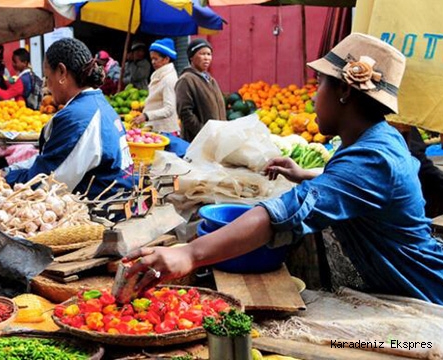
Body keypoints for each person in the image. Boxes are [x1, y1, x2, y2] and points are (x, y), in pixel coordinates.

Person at [126, 33, 443, 305]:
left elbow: (282, 213)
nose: (314, 96)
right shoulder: (375, 138)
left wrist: (190, 254)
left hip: (424, 293)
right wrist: (305, 174)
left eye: (319, 84)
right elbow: (358, 185)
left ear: (345, 91)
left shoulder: (373, 158)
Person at [4, 38, 133, 199]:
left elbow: (45, 183)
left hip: (103, 211)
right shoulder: (98, 104)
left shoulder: (77, 117)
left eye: (47, 77)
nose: (47, 87)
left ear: (62, 72)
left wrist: (4, 179)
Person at [175, 38, 226, 143]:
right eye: (202, 54)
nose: (206, 58)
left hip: (216, 138)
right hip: (197, 141)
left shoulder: (211, 80)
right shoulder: (186, 80)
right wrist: (203, 132)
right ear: (191, 57)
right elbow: (185, 113)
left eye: (209, 54)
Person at [132, 38, 181, 135]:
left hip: (165, 130)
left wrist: (146, 115)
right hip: (156, 128)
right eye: (152, 59)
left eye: (156, 59)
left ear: (166, 59)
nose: (153, 62)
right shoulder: (159, 75)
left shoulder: (168, 79)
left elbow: (169, 109)